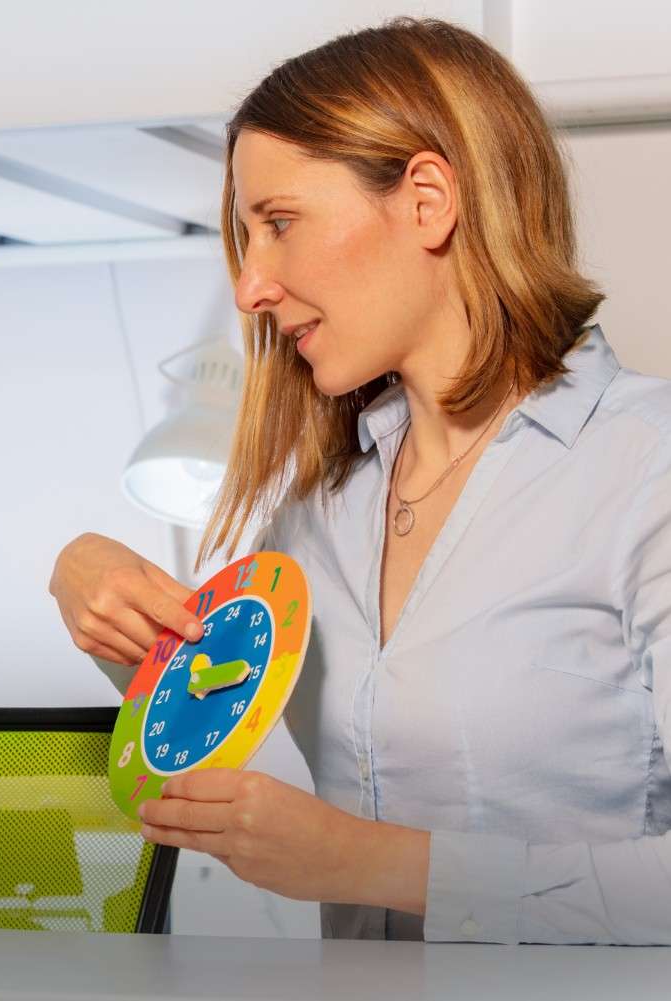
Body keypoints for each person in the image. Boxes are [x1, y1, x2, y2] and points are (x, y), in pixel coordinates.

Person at [49, 18, 670, 944]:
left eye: (281, 224)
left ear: (427, 200)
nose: (250, 286)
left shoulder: (644, 470)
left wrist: (374, 862)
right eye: (245, 236)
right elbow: (206, 720)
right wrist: (94, 589)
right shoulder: (321, 511)